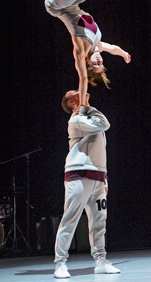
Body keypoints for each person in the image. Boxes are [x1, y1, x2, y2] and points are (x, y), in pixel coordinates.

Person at [44, 0, 132, 108]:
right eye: (101, 62)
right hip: (72, 4)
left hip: (55, 6)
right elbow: (112, 48)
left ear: (87, 62)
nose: (99, 59)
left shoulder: (81, 48)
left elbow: (83, 79)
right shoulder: (97, 45)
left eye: (95, 63)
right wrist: (123, 54)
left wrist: (83, 103)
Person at [53, 90, 120, 278]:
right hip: (79, 173)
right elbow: (105, 124)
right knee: (71, 218)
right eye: (74, 92)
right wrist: (87, 107)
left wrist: (104, 176)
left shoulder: (86, 118)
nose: (79, 89)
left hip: (97, 175)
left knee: (99, 220)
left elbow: (99, 150)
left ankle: (101, 261)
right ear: (73, 102)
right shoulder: (77, 120)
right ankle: (60, 264)